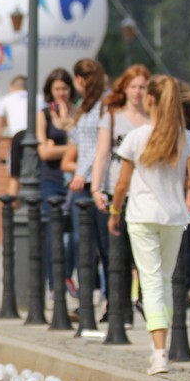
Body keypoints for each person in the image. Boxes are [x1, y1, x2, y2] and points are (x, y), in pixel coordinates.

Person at [108, 75, 190, 375]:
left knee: (149, 281)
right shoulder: (185, 137)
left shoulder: (137, 137)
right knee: (165, 279)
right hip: (174, 215)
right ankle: (161, 348)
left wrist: (114, 210)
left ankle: (159, 351)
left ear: (150, 100)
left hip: (141, 213)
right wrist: (177, 181)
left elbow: (122, 183)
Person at [92, 64, 151, 322]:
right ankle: (119, 309)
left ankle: (147, 305)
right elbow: (102, 153)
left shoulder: (153, 116)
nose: (138, 92)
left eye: (142, 87)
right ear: (124, 88)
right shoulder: (113, 116)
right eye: (134, 86)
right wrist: (96, 187)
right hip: (117, 190)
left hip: (146, 191)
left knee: (144, 255)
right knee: (116, 253)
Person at [68, 59, 111, 308]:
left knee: (103, 244)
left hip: (96, 181)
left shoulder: (106, 104)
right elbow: (80, 141)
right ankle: (87, 296)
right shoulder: (85, 105)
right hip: (82, 181)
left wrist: (82, 173)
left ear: (81, 79)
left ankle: (109, 296)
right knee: (83, 243)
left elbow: (99, 147)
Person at [36, 68, 77, 294]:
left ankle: (67, 276)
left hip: (73, 179)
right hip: (51, 179)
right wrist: (70, 148)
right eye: (57, 89)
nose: (61, 93)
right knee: (54, 231)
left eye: (65, 88)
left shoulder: (77, 113)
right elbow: (44, 153)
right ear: (50, 91)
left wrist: (67, 126)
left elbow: (85, 147)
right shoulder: (43, 114)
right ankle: (54, 284)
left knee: (75, 234)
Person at [0, 75, 28, 197]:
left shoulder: (5, 100)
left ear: (12, 87)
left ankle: (12, 213)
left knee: (14, 178)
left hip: (18, 137)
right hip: (36, 136)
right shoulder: (39, 98)